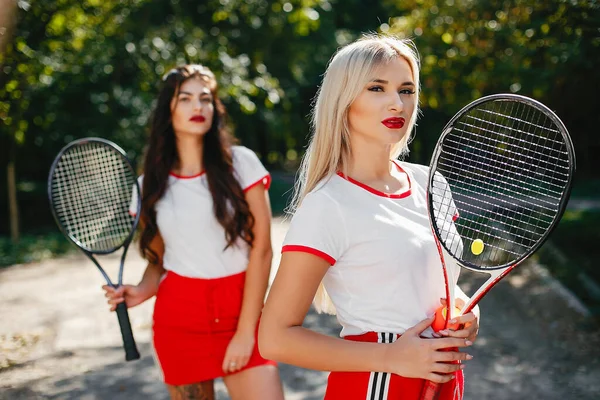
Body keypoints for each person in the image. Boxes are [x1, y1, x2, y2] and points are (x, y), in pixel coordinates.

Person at [258, 35, 480, 400]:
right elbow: (274, 338)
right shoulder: (328, 204)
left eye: (406, 90)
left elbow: (429, 278)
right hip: (377, 385)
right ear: (343, 101)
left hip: (442, 380)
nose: (397, 103)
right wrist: (391, 357)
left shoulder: (431, 183)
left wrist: (464, 311)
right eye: (377, 88)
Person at [103, 64, 284, 400]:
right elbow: (160, 260)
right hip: (181, 323)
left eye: (205, 99)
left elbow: (263, 251)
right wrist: (141, 289)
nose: (197, 107)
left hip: (241, 312)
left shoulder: (241, 164)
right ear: (167, 110)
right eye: (185, 98)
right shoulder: (148, 188)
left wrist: (246, 333)